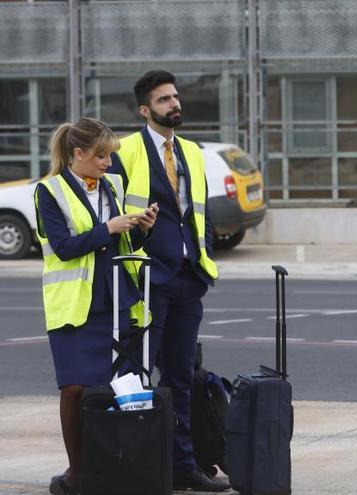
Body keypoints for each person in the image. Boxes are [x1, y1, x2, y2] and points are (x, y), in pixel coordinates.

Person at [108, 70, 225, 492]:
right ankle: (134, 466)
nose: (174, 104)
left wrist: (202, 254)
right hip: (146, 282)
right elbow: (114, 213)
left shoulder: (192, 151)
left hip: (188, 279)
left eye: (175, 97)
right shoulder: (123, 152)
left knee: (181, 379)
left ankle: (183, 467)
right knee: (133, 377)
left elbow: (199, 212)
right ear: (145, 109)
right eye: (163, 100)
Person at [36, 118, 158, 495]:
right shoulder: (49, 191)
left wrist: (142, 228)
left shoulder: (113, 186)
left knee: (119, 387)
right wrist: (109, 228)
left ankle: (115, 466)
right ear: (78, 154)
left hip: (116, 297)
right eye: (101, 156)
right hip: (74, 305)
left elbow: (124, 244)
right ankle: (78, 472)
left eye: (109, 156)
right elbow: (65, 248)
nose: (107, 163)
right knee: (74, 388)